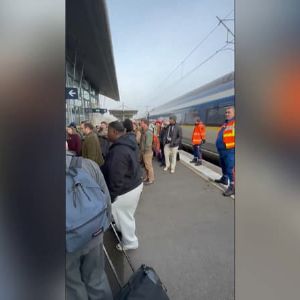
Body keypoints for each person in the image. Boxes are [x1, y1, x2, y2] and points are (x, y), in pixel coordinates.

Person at [66, 151, 113, 300]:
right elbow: (106, 200)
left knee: (72, 286)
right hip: (94, 234)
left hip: (65, 246)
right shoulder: (87, 164)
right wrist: (102, 227)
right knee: (97, 278)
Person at [102, 121, 143, 251]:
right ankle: (124, 233)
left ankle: (130, 242)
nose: (106, 134)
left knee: (123, 215)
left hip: (127, 189)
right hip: (134, 184)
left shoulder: (118, 151)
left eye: (108, 131)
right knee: (125, 215)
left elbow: (116, 179)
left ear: (114, 132)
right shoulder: (127, 142)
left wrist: (111, 197)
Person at [214, 106, 235, 196]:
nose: (226, 114)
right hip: (222, 150)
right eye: (226, 112)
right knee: (223, 166)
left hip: (230, 150)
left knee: (230, 169)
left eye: (229, 112)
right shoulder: (225, 123)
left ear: (234, 113)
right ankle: (224, 178)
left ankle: (232, 187)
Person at [140, 118, 155, 185]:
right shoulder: (144, 131)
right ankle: (147, 177)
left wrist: (143, 151)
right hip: (144, 152)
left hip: (147, 152)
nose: (141, 124)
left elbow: (148, 144)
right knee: (146, 166)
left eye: (142, 123)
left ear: (145, 124)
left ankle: (151, 179)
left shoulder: (148, 132)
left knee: (149, 166)